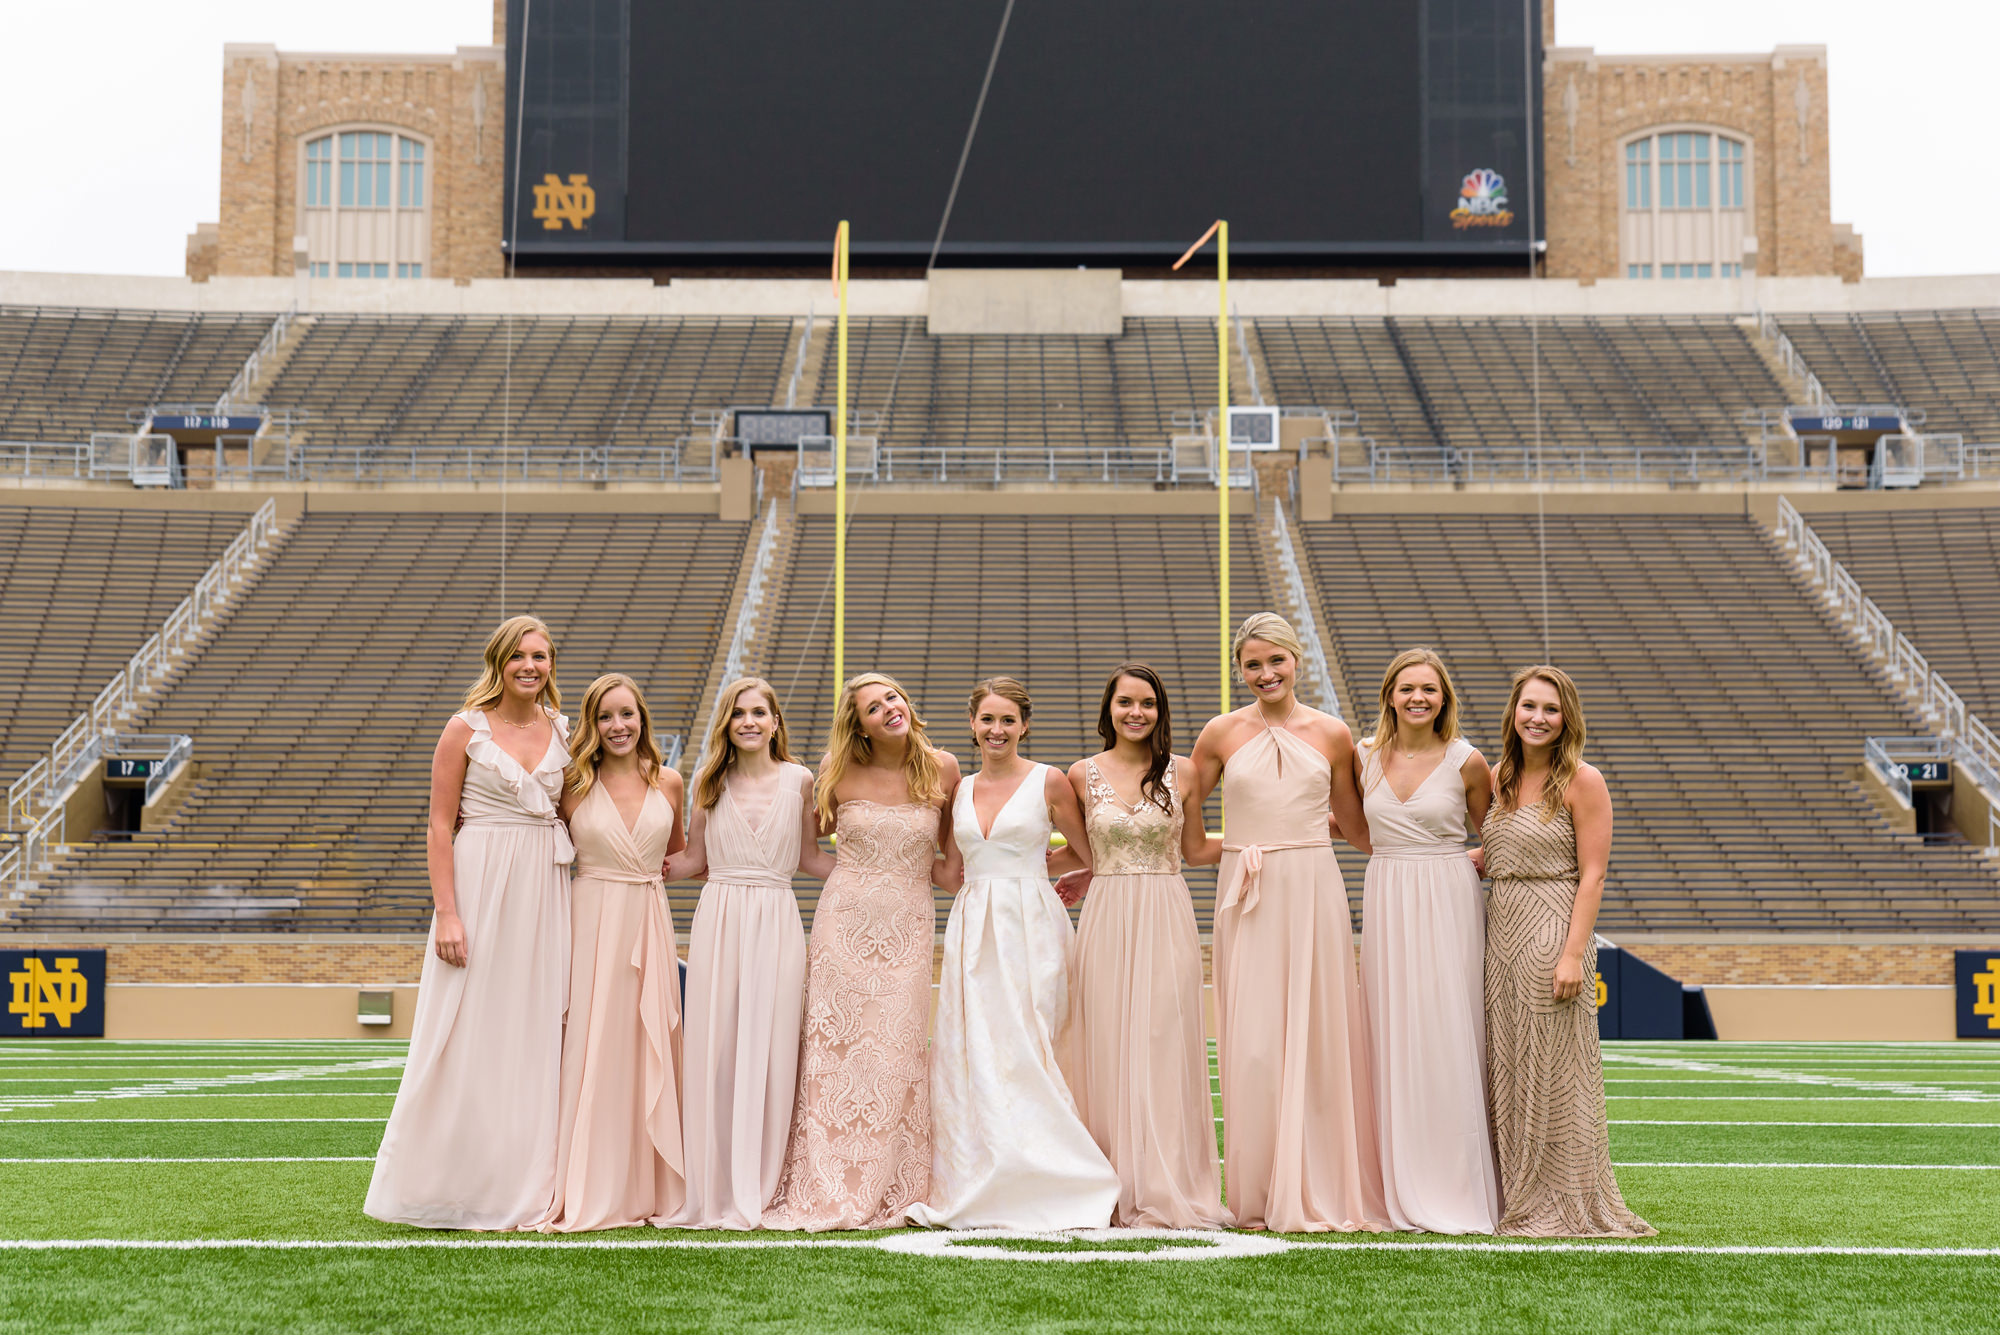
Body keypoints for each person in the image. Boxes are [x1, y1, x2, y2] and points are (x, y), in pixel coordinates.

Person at [365, 615, 571, 1229]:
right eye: (519, 656)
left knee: (535, 1029)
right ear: (498, 662)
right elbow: (437, 826)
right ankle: (447, 1185)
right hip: (480, 886)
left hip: (546, 889)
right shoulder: (464, 729)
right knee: (465, 1032)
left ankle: (526, 1183)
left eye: (541, 655)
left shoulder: (566, 730)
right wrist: (447, 913)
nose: (530, 666)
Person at [1186, 612, 1386, 1233]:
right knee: (1250, 1044)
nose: (1265, 673)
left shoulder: (1332, 734)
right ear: (1240, 670)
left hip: (1313, 890)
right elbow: (1191, 838)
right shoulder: (1218, 734)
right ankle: (1256, 1192)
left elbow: (1356, 828)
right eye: (1253, 664)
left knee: (1319, 1033)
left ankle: (1320, 1185)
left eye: (1276, 661)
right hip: (1247, 892)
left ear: (1296, 660)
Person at [906, 678, 1119, 1230]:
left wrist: (1034, 867)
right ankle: (986, 1174)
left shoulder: (1049, 781)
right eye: (987, 720)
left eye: (1007, 720)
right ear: (972, 725)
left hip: (1032, 923)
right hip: (973, 923)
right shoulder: (961, 788)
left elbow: (1089, 849)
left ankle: (1059, 1175)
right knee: (976, 1048)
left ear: (1024, 725)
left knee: (1033, 1041)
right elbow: (952, 872)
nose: (996, 730)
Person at [767, 672, 959, 1231]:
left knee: (894, 1054)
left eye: (893, 698)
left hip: (908, 927)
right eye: (875, 707)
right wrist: (861, 877)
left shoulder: (943, 769)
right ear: (860, 724)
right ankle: (826, 1183)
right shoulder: (835, 771)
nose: (889, 709)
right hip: (843, 926)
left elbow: (948, 867)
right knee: (836, 1054)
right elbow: (807, 850)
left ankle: (893, 1184)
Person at [1480, 665, 1654, 1237]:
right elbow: (1498, 851)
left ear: (1566, 719)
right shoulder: (1497, 775)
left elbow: (1595, 874)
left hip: (1551, 930)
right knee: (1509, 1065)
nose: (1537, 718)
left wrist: (1574, 955)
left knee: (1555, 1071)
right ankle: (1517, 1193)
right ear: (1513, 712)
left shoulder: (1583, 779)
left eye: (1550, 709)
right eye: (1529, 706)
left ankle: (1562, 1201)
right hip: (1498, 934)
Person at [1058, 663, 1231, 1230]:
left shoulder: (1182, 773)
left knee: (1162, 1039)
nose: (1137, 712)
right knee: (1104, 1041)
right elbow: (1078, 852)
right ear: (1108, 708)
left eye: (1148, 703)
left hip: (1165, 911)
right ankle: (1106, 1182)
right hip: (1106, 915)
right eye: (1126, 702)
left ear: (1161, 711)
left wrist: (1286, 840)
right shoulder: (1080, 775)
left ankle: (1164, 1183)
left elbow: (1200, 849)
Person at [667, 677, 829, 1230]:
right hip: (720, 918)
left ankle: (763, 1182)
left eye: (760, 712)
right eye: (738, 714)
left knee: (774, 1046)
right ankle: (712, 1183)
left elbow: (810, 858)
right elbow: (690, 860)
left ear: (776, 721)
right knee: (717, 1046)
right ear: (726, 725)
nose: (750, 721)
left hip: (779, 918)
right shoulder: (710, 782)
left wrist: (883, 874)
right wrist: (631, 864)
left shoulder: (800, 781)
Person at [1357, 648, 1500, 1234]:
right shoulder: (1364, 757)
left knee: (1447, 1027)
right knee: (1390, 1027)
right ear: (1390, 694)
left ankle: (1456, 1183)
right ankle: (1395, 1176)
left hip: (1446, 895)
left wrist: (1469, 858)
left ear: (1445, 699)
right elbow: (1344, 822)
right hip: (1387, 890)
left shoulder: (1467, 760)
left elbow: (1499, 834)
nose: (1419, 698)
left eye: (1430, 690)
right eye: (1407, 688)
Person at [540, 673, 688, 1232]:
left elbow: (674, 854)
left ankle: (647, 1185)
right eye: (605, 717)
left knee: (644, 1044)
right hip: (590, 923)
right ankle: (589, 1183)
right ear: (591, 725)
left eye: (627, 714)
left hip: (648, 920)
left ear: (642, 719)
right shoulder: (572, 783)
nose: (618, 726)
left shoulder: (670, 782)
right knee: (590, 1044)